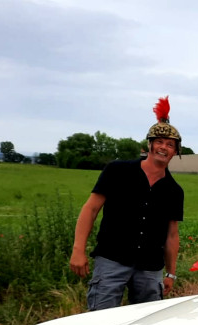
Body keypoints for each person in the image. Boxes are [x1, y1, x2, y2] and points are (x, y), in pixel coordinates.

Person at [69, 97, 184, 310]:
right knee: (99, 320)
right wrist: (78, 250)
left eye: (170, 145)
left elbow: (172, 235)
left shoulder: (174, 191)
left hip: (150, 269)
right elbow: (91, 209)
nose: (163, 147)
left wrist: (170, 272)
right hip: (111, 260)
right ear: (149, 145)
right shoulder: (117, 171)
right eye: (159, 142)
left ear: (176, 152)